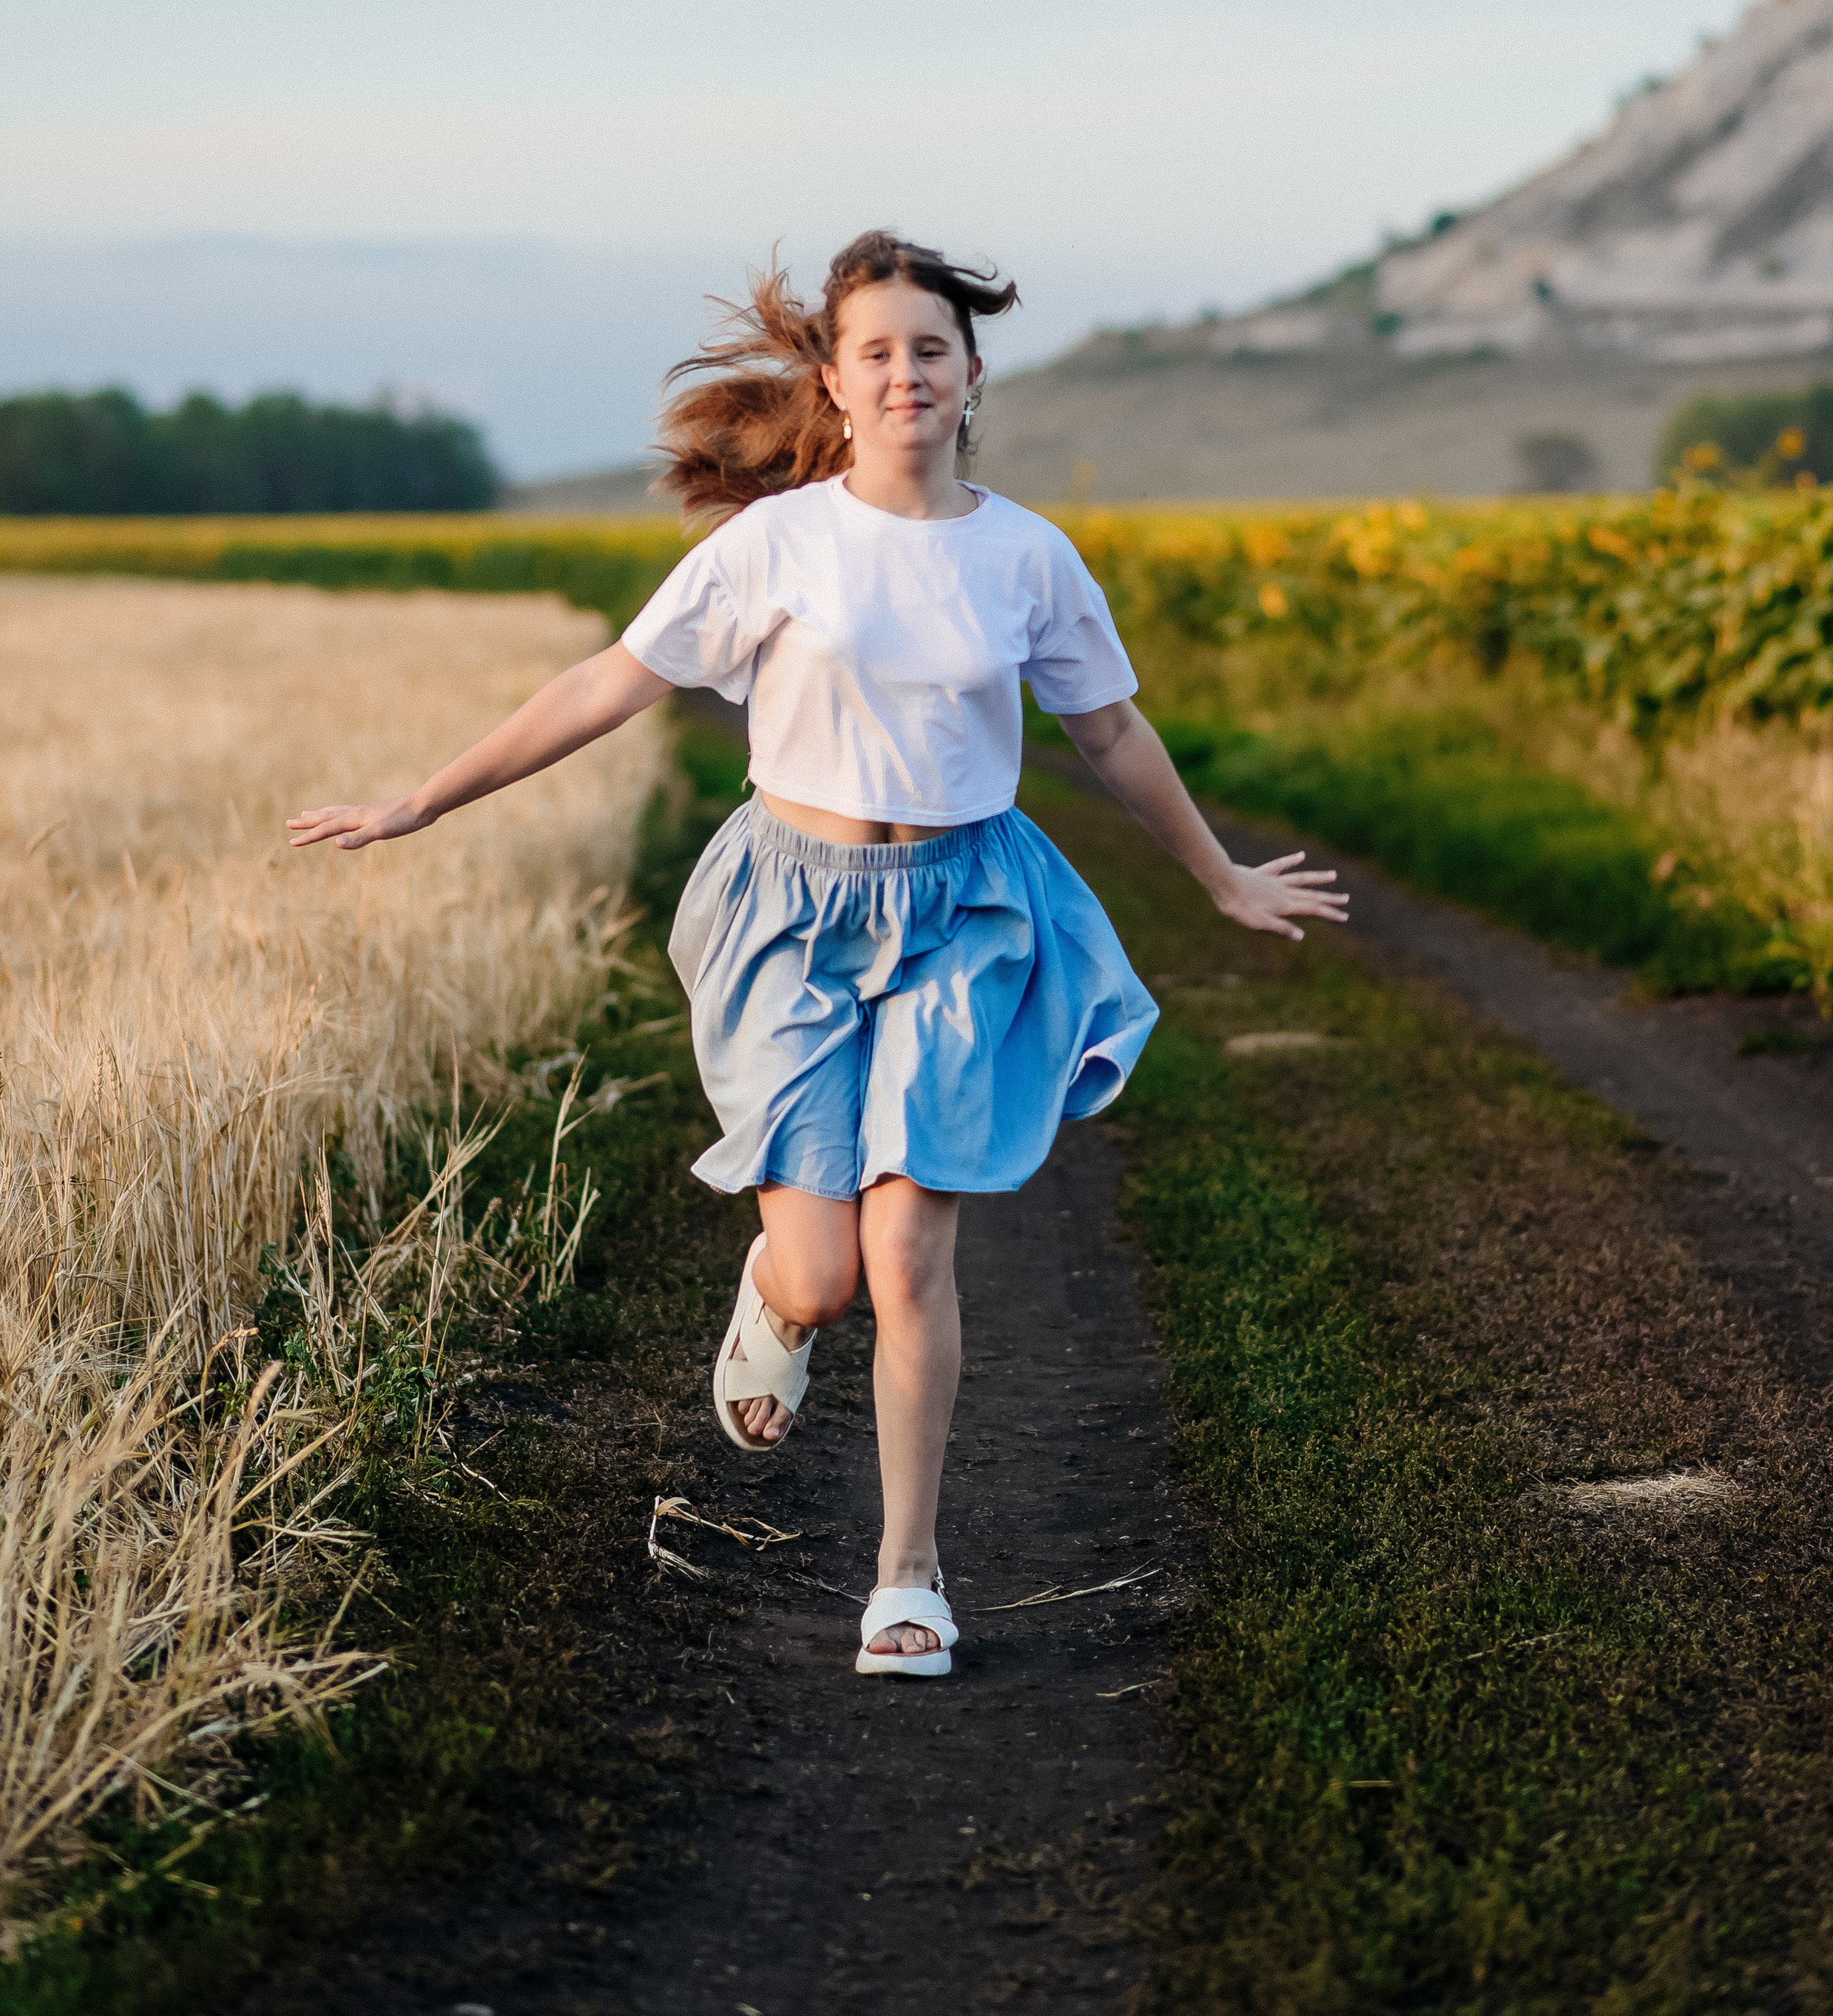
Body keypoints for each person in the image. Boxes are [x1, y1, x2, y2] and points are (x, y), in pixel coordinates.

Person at [289, 230, 1347, 1678]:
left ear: (969, 376)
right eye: (875, 352)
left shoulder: (1027, 555)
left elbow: (1106, 731)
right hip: (793, 914)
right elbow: (610, 680)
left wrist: (1218, 875)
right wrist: (421, 797)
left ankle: (907, 1575)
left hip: (964, 914)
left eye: (931, 348)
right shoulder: (771, 548)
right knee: (828, 1269)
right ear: (834, 387)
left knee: (911, 1251)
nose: (905, 371)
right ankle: (776, 1295)